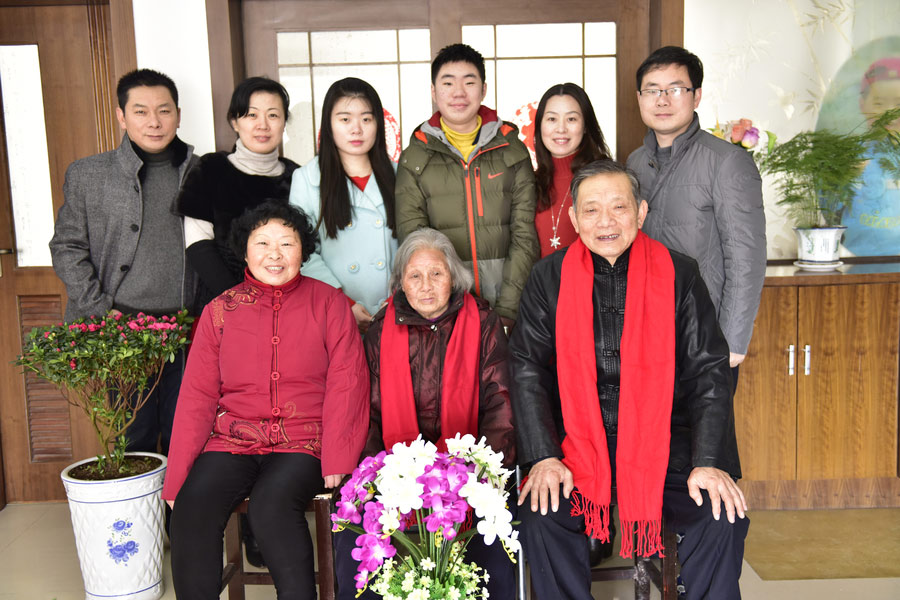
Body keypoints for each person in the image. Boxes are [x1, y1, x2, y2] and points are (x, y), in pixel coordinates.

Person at [510, 160, 748, 600]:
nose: (606, 221)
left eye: (618, 207)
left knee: (721, 515)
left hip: (667, 445)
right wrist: (542, 456)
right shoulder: (549, 277)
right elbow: (526, 368)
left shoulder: (680, 273)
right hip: (576, 446)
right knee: (541, 516)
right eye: (592, 210)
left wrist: (709, 460)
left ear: (640, 213)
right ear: (575, 218)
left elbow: (709, 373)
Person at [163, 201, 369, 600]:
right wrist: (177, 477)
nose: (274, 255)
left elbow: (349, 382)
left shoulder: (329, 304)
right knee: (191, 507)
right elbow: (197, 397)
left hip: (303, 442)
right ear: (245, 250)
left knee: (270, 507)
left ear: (302, 251)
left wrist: (338, 456)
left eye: (286, 243)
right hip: (233, 439)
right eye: (262, 243)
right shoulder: (219, 311)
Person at [334, 227, 516, 600]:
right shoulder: (379, 331)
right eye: (414, 276)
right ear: (401, 282)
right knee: (356, 538)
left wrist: (479, 472)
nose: (426, 285)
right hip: (394, 469)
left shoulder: (482, 322)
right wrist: (382, 474)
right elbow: (365, 413)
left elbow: (501, 404)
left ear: (454, 276)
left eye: (437, 273)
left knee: (492, 542)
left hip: (468, 469)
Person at [49, 68, 196, 455]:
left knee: (188, 439)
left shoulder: (201, 171)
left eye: (163, 111)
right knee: (136, 439)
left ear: (178, 115)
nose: (154, 122)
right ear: (121, 116)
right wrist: (101, 310)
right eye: (141, 111)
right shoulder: (89, 175)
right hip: (122, 329)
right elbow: (66, 247)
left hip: (189, 330)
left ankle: (178, 519)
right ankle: (139, 519)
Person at [626, 46, 766, 383]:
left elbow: (747, 257)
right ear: (640, 97)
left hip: (705, 335)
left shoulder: (726, 162)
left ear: (696, 96)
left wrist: (732, 342)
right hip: (645, 333)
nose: (663, 100)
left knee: (705, 435)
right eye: (652, 91)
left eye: (675, 89)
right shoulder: (633, 163)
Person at [395, 43, 539, 329]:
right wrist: (447, 307)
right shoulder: (416, 157)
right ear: (434, 92)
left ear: (483, 89)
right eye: (448, 83)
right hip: (446, 310)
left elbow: (525, 233)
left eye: (469, 82)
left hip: (509, 303)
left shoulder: (512, 149)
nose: (459, 92)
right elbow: (415, 243)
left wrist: (509, 308)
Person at [178, 76, 299, 314]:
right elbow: (198, 245)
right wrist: (242, 301)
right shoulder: (211, 168)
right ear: (234, 121)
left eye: (273, 115)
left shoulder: (298, 176)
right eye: (251, 115)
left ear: (284, 122)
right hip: (223, 301)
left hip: (287, 304)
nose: (262, 125)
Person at [290, 77, 397, 333]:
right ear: (329, 124)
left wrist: (400, 298)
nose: (356, 129)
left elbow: (415, 243)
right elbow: (302, 251)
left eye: (366, 119)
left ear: (378, 124)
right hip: (335, 312)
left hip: (396, 310)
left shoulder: (400, 175)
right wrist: (343, 303)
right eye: (345, 119)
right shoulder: (306, 178)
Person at [534, 83, 612, 258]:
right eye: (552, 119)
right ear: (540, 126)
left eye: (571, 119)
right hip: (541, 284)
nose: (561, 129)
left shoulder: (606, 178)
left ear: (585, 126)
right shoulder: (531, 182)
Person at [842, 57, 900, 256]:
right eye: (879, 103)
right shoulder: (849, 156)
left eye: (898, 103)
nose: (889, 112)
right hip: (856, 265)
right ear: (862, 104)